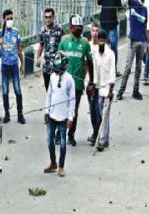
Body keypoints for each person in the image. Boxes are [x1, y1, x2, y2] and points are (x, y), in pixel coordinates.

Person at [58, 14, 93, 146]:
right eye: (76, 27)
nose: (78, 29)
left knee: (74, 111)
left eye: (80, 26)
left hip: (77, 84)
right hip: (64, 82)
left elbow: (89, 64)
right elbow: (58, 61)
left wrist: (91, 81)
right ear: (71, 27)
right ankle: (59, 134)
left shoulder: (85, 43)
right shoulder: (64, 41)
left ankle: (71, 135)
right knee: (61, 109)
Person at [43, 54, 75, 177]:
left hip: (64, 116)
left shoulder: (69, 80)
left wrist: (70, 117)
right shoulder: (52, 77)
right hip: (52, 114)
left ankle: (61, 166)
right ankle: (53, 162)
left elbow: (72, 100)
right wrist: (47, 110)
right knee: (49, 140)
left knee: (62, 142)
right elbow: (49, 95)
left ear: (65, 66)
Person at [0, 9, 25, 124]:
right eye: (8, 19)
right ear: (4, 20)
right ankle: (7, 114)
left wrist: (22, 64)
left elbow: (19, 49)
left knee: (18, 90)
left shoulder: (16, 32)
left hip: (14, 65)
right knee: (5, 91)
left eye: (11, 18)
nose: (10, 21)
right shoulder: (0, 33)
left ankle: (20, 114)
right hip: (5, 66)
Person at [116, 0, 147, 101]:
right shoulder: (132, 4)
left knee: (138, 67)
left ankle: (135, 90)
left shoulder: (144, 9)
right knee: (128, 67)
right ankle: (121, 91)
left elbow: (144, 26)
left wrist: (147, 42)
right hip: (133, 41)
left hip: (142, 40)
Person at [92, 29, 116, 150]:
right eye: (99, 41)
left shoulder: (111, 54)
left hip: (108, 90)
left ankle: (101, 141)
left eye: (103, 41)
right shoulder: (96, 54)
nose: (101, 43)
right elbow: (96, 73)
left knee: (105, 116)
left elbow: (112, 73)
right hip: (99, 89)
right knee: (101, 115)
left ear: (106, 41)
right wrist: (94, 87)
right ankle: (105, 139)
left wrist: (111, 90)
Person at [36, 8, 64, 91]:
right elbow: (41, 44)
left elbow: (63, 44)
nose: (48, 19)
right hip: (46, 65)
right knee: (48, 89)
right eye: (46, 17)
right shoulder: (42, 30)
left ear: (53, 17)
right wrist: (38, 57)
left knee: (57, 90)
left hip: (57, 65)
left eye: (50, 17)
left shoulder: (59, 29)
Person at [97, 0, 123, 75]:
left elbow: (119, 6)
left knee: (113, 49)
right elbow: (99, 2)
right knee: (102, 48)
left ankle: (113, 69)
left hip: (111, 24)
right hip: (105, 24)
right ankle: (103, 69)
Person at [85, 22, 101, 144]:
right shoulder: (88, 46)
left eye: (97, 31)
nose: (95, 33)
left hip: (100, 84)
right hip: (90, 83)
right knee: (91, 110)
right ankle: (94, 132)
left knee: (97, 110)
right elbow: (85, 65)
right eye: (93, 31)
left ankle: (97, 134)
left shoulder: (102, 47)